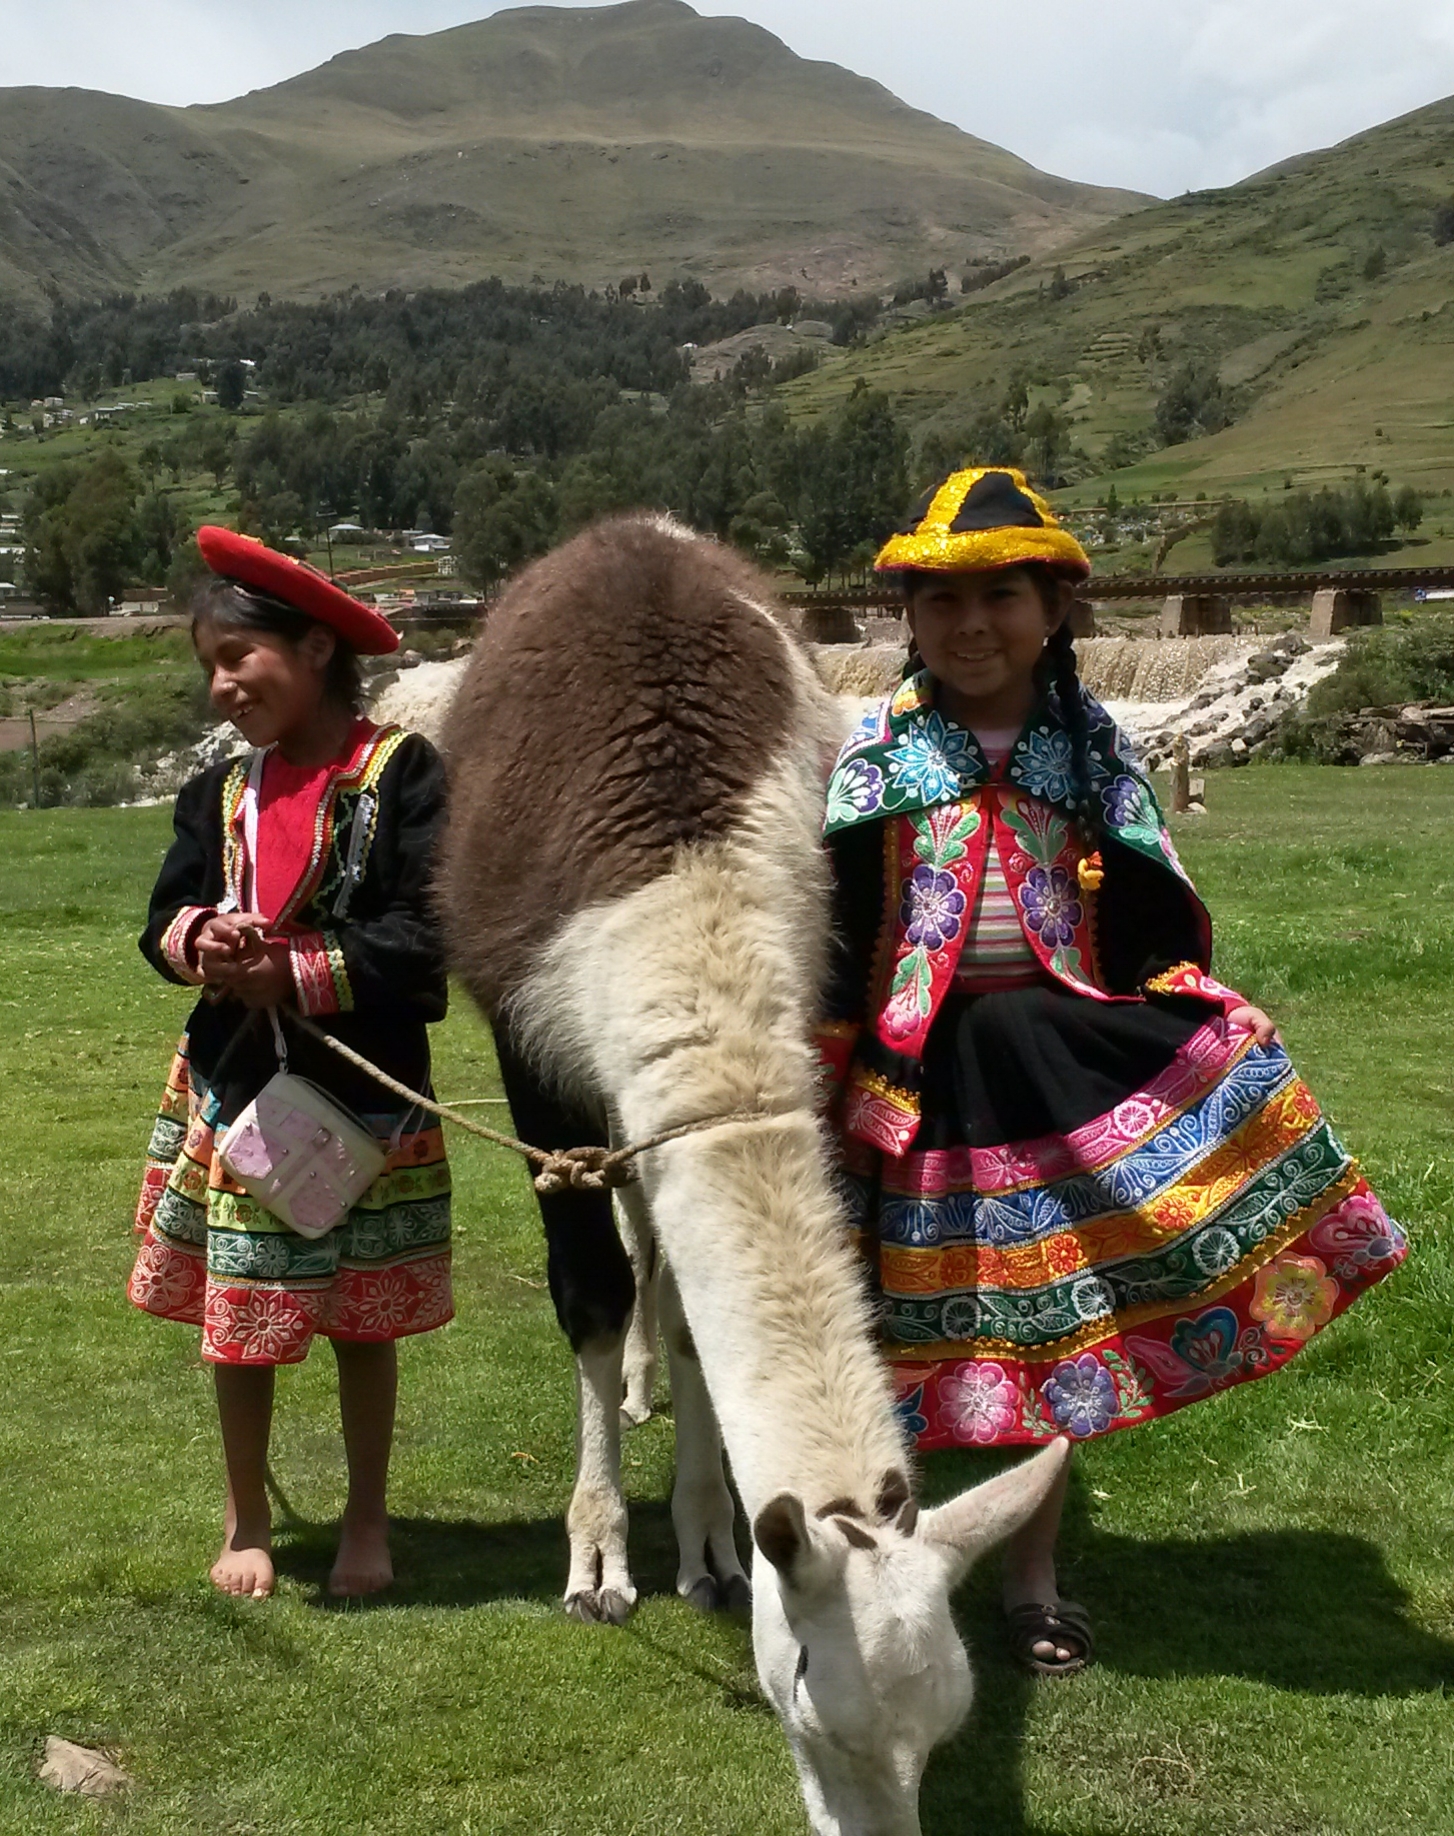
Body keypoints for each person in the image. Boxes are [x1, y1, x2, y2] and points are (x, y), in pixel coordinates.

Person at [818, 467, 1406, 1673]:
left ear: (1053, 610)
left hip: (1050, 1073)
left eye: (998, 597)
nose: (969, 626)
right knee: (874, 1335)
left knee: (1047, 1327)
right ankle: (870, 1569)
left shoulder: (1088, 751)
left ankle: (1030, 1583)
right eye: (939, 603)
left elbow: (1147, 915)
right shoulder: (873, 758)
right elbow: (830, 935)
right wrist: (821, 1069)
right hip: (903, 1084)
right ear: (908, 621)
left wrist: (1173, 1004)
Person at [129, 526, 452, 1600]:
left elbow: (429, 933)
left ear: (314, 649)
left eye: (239, 659)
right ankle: (247, 1516)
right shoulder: (219, 795)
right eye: (208, 667)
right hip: (237, 1092)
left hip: (363, 1096)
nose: (221, 687)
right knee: (241, 1322)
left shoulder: (402, 776)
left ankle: (367, 1521)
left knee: (361, 1320)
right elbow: (162, 918)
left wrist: (301, 971)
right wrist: (205, 946)